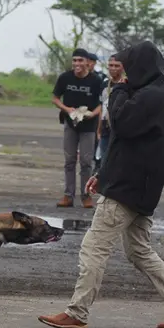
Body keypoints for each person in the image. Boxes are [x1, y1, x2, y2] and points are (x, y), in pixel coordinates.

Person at [37, 41, 164, 328]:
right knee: (140, 251)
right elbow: (125, 142)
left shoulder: (150, 97)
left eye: (128, 67)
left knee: (93, 247)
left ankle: (77, 312)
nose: (124, 73)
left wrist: (118, 89)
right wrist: (102, 174)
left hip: (126, 188)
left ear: (140, 68)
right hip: (138, 185)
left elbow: (120, 125)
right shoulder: (154, 94)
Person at [51, 48, 103, 209]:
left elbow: (102, 104)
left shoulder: (96, 81)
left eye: (80, 61)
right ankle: (68, 195)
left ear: (88, 62)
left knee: (86, 162)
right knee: (69, 160)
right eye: (74, 61)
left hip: (88, 126)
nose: (77, 64)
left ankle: (86, 195)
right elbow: (55, 98)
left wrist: (92, 114)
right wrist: (67, 109)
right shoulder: (65, 78)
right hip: (70, 124)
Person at [95, 55, 125, 172]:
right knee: (104, 160)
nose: (113, 68)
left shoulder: (127, 84)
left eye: (117, 66)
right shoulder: (104, 85)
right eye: (111, 65)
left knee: (119, 161)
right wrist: (98, 129)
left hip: (120, 128)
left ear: (123, 67)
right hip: (105, 127)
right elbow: (102, 107)